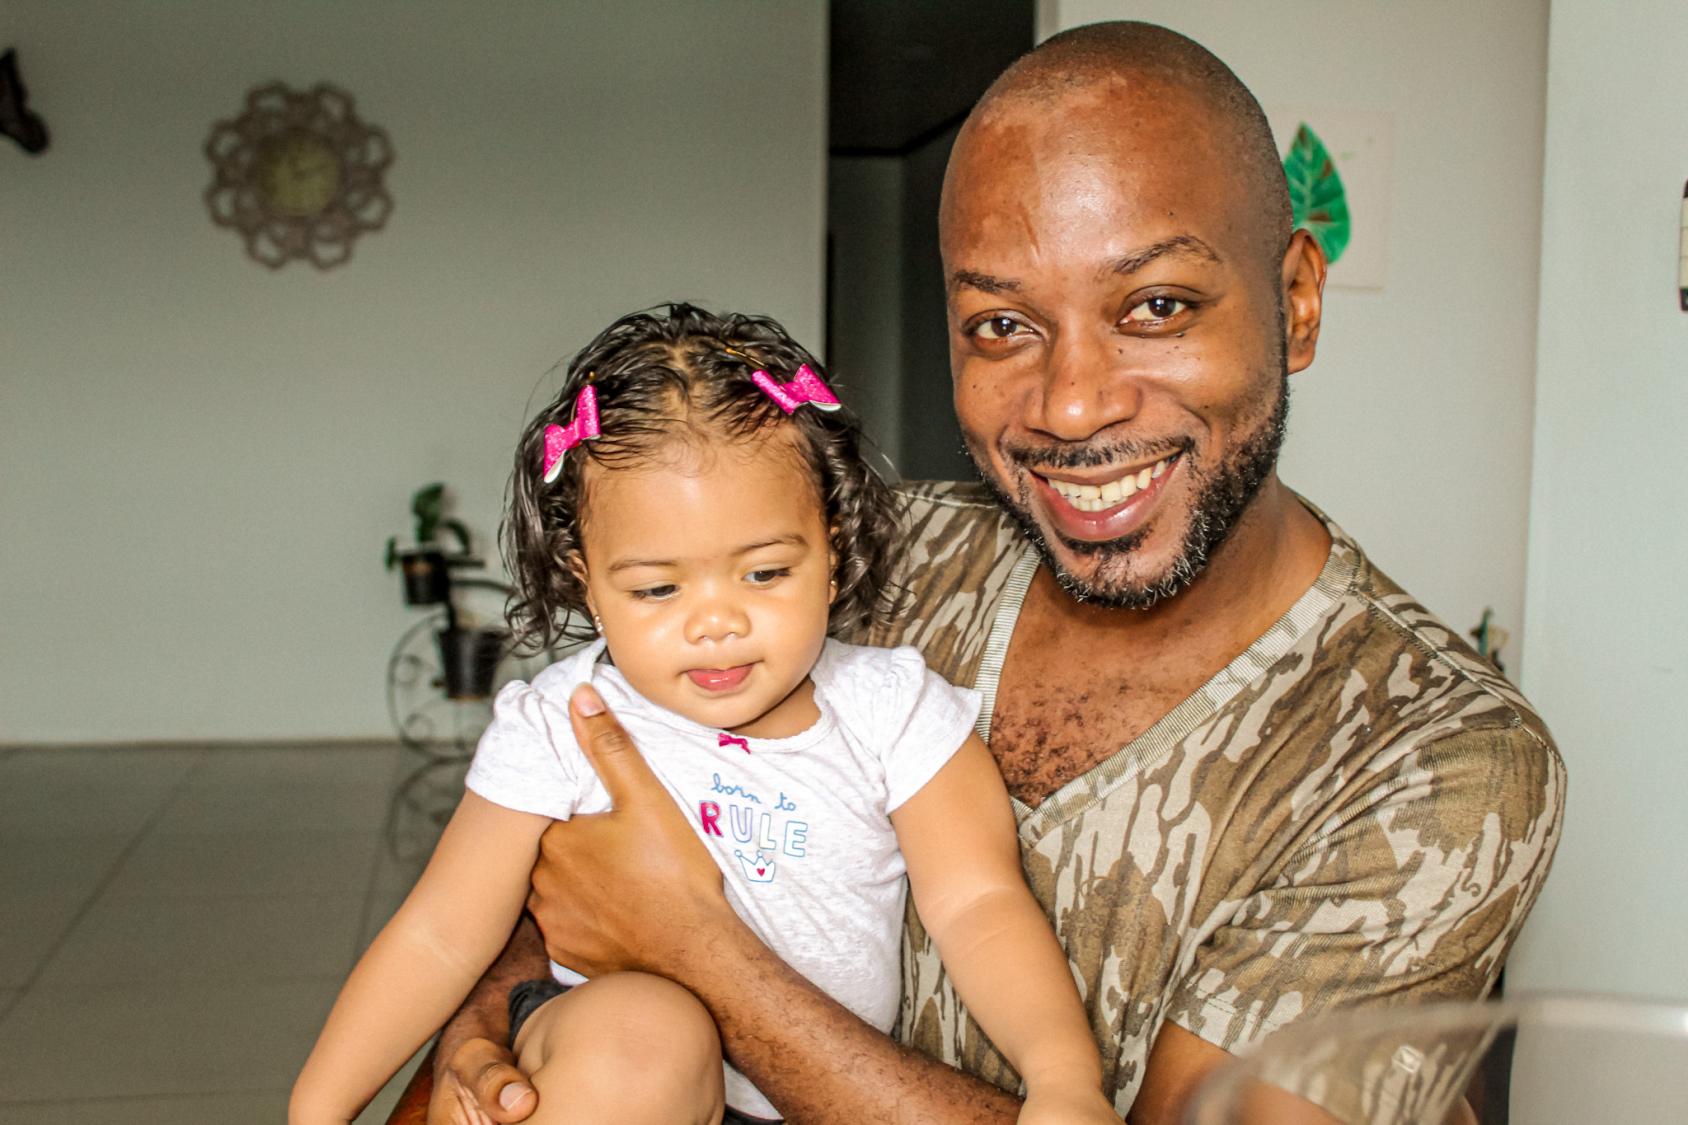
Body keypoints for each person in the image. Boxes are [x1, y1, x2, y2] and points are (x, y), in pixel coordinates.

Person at [428, 21, 1565, 1125]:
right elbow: (562, 826)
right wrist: (491, 1015)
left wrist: (705, 961)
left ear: (1295, 301)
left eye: (1155, 306)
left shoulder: (1432, 760)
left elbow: (651, 912)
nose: (1072, 405)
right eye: (1001, 325)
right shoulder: (858, 559)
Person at [293, 305, 1119, 1125]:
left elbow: (978, 903)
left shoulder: (891, 710)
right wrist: (319, 1108)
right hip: (607, 1080)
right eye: (657, 588)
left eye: (763, 573)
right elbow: (441, 932)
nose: (715, 621)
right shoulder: (559, 721)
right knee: (646, 1033)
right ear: (586, 579)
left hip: (808, 1093)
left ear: (831, 552)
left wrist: (1062, 1078)